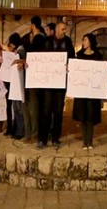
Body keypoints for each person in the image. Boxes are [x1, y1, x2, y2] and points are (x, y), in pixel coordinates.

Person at [39, 21, 74, 149]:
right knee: (46, 111)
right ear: (57, 29)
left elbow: (72, 58)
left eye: (65, 29)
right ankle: (43, 139)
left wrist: (69, 64)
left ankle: (55, 138)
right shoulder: (47, 41)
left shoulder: (68, 42)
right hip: (48, 83)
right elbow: (40, 57)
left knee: (58, 111)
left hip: (60, 83)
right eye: (63, 29)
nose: (64, 31)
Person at [72, 33, 104, 149]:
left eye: (85, 40)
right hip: (81, 90)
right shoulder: (79, 55)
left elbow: (101, 73)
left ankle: (89, 141)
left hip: (93, 92)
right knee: (83, 116)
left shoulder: (97, 56)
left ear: (90, 41)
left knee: (90, 116)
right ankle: (84, 141)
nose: (83, 42)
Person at [20, 16, 46, 142]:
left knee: (33, 106)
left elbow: (33, 54)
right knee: (28, 104)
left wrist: (28, 42)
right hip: (29, 76)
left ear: (33, 25)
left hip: (34, 76)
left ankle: (34, 133)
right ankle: (29, 132)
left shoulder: (39, 39)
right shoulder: (36, 38)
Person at [5, 33, 25, 140]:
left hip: (19, 84)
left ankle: (20, 131)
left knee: (18, 108)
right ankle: (17, 130)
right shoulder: (17, 51)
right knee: (16, 108)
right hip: (15, 84)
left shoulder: (21, 51)